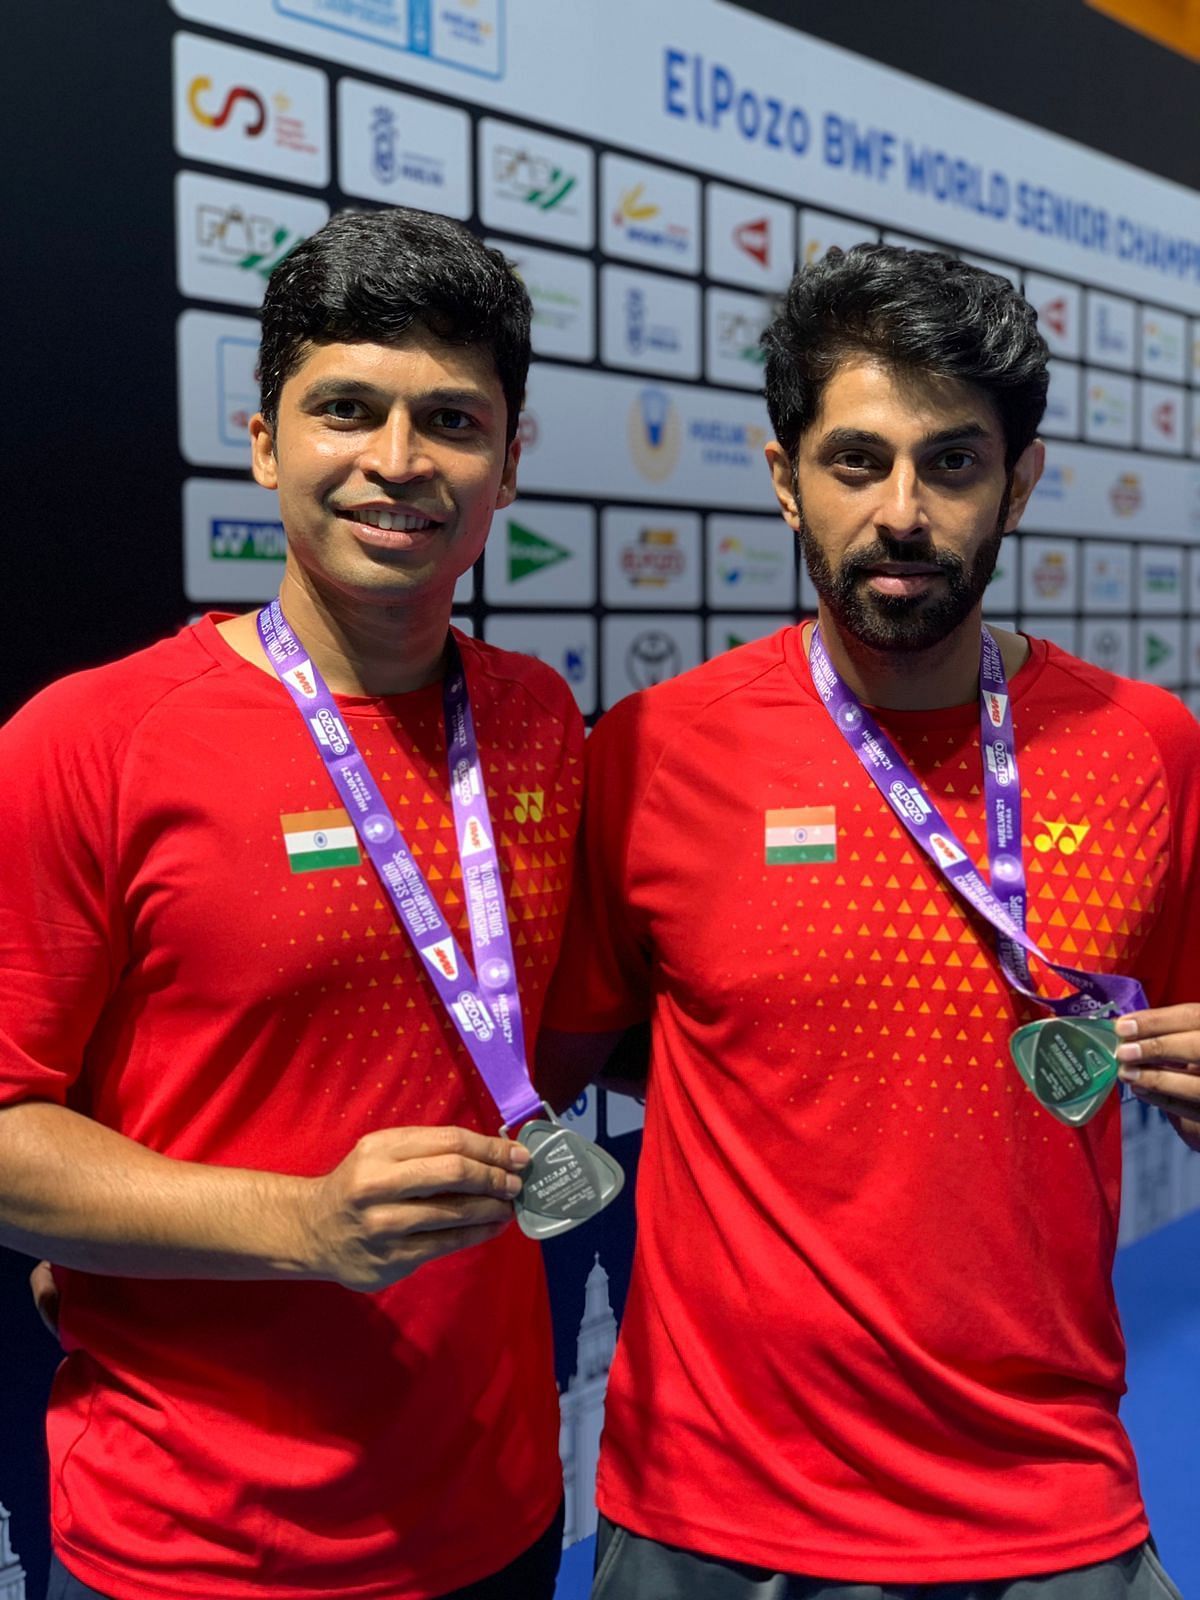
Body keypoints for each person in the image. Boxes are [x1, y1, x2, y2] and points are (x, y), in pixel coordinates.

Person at [538, 244, 1200, 1599]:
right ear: (785, 478)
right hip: (709, 1511)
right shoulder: (656, 749)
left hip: (1046, 1497)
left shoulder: (1150, 748)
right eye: (855, 462)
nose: (903, 512)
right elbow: (575, 1050)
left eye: (953, 464)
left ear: (1018, 481)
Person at [0, 207, 583, 1600]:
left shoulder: (539, 721)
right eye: (346, 411)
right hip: (194, 1539)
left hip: (496, 1509)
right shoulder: (91, 739)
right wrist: (302, 1226)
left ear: (509, 461)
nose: (398, 462)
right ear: (266, 441)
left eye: (451, 418)